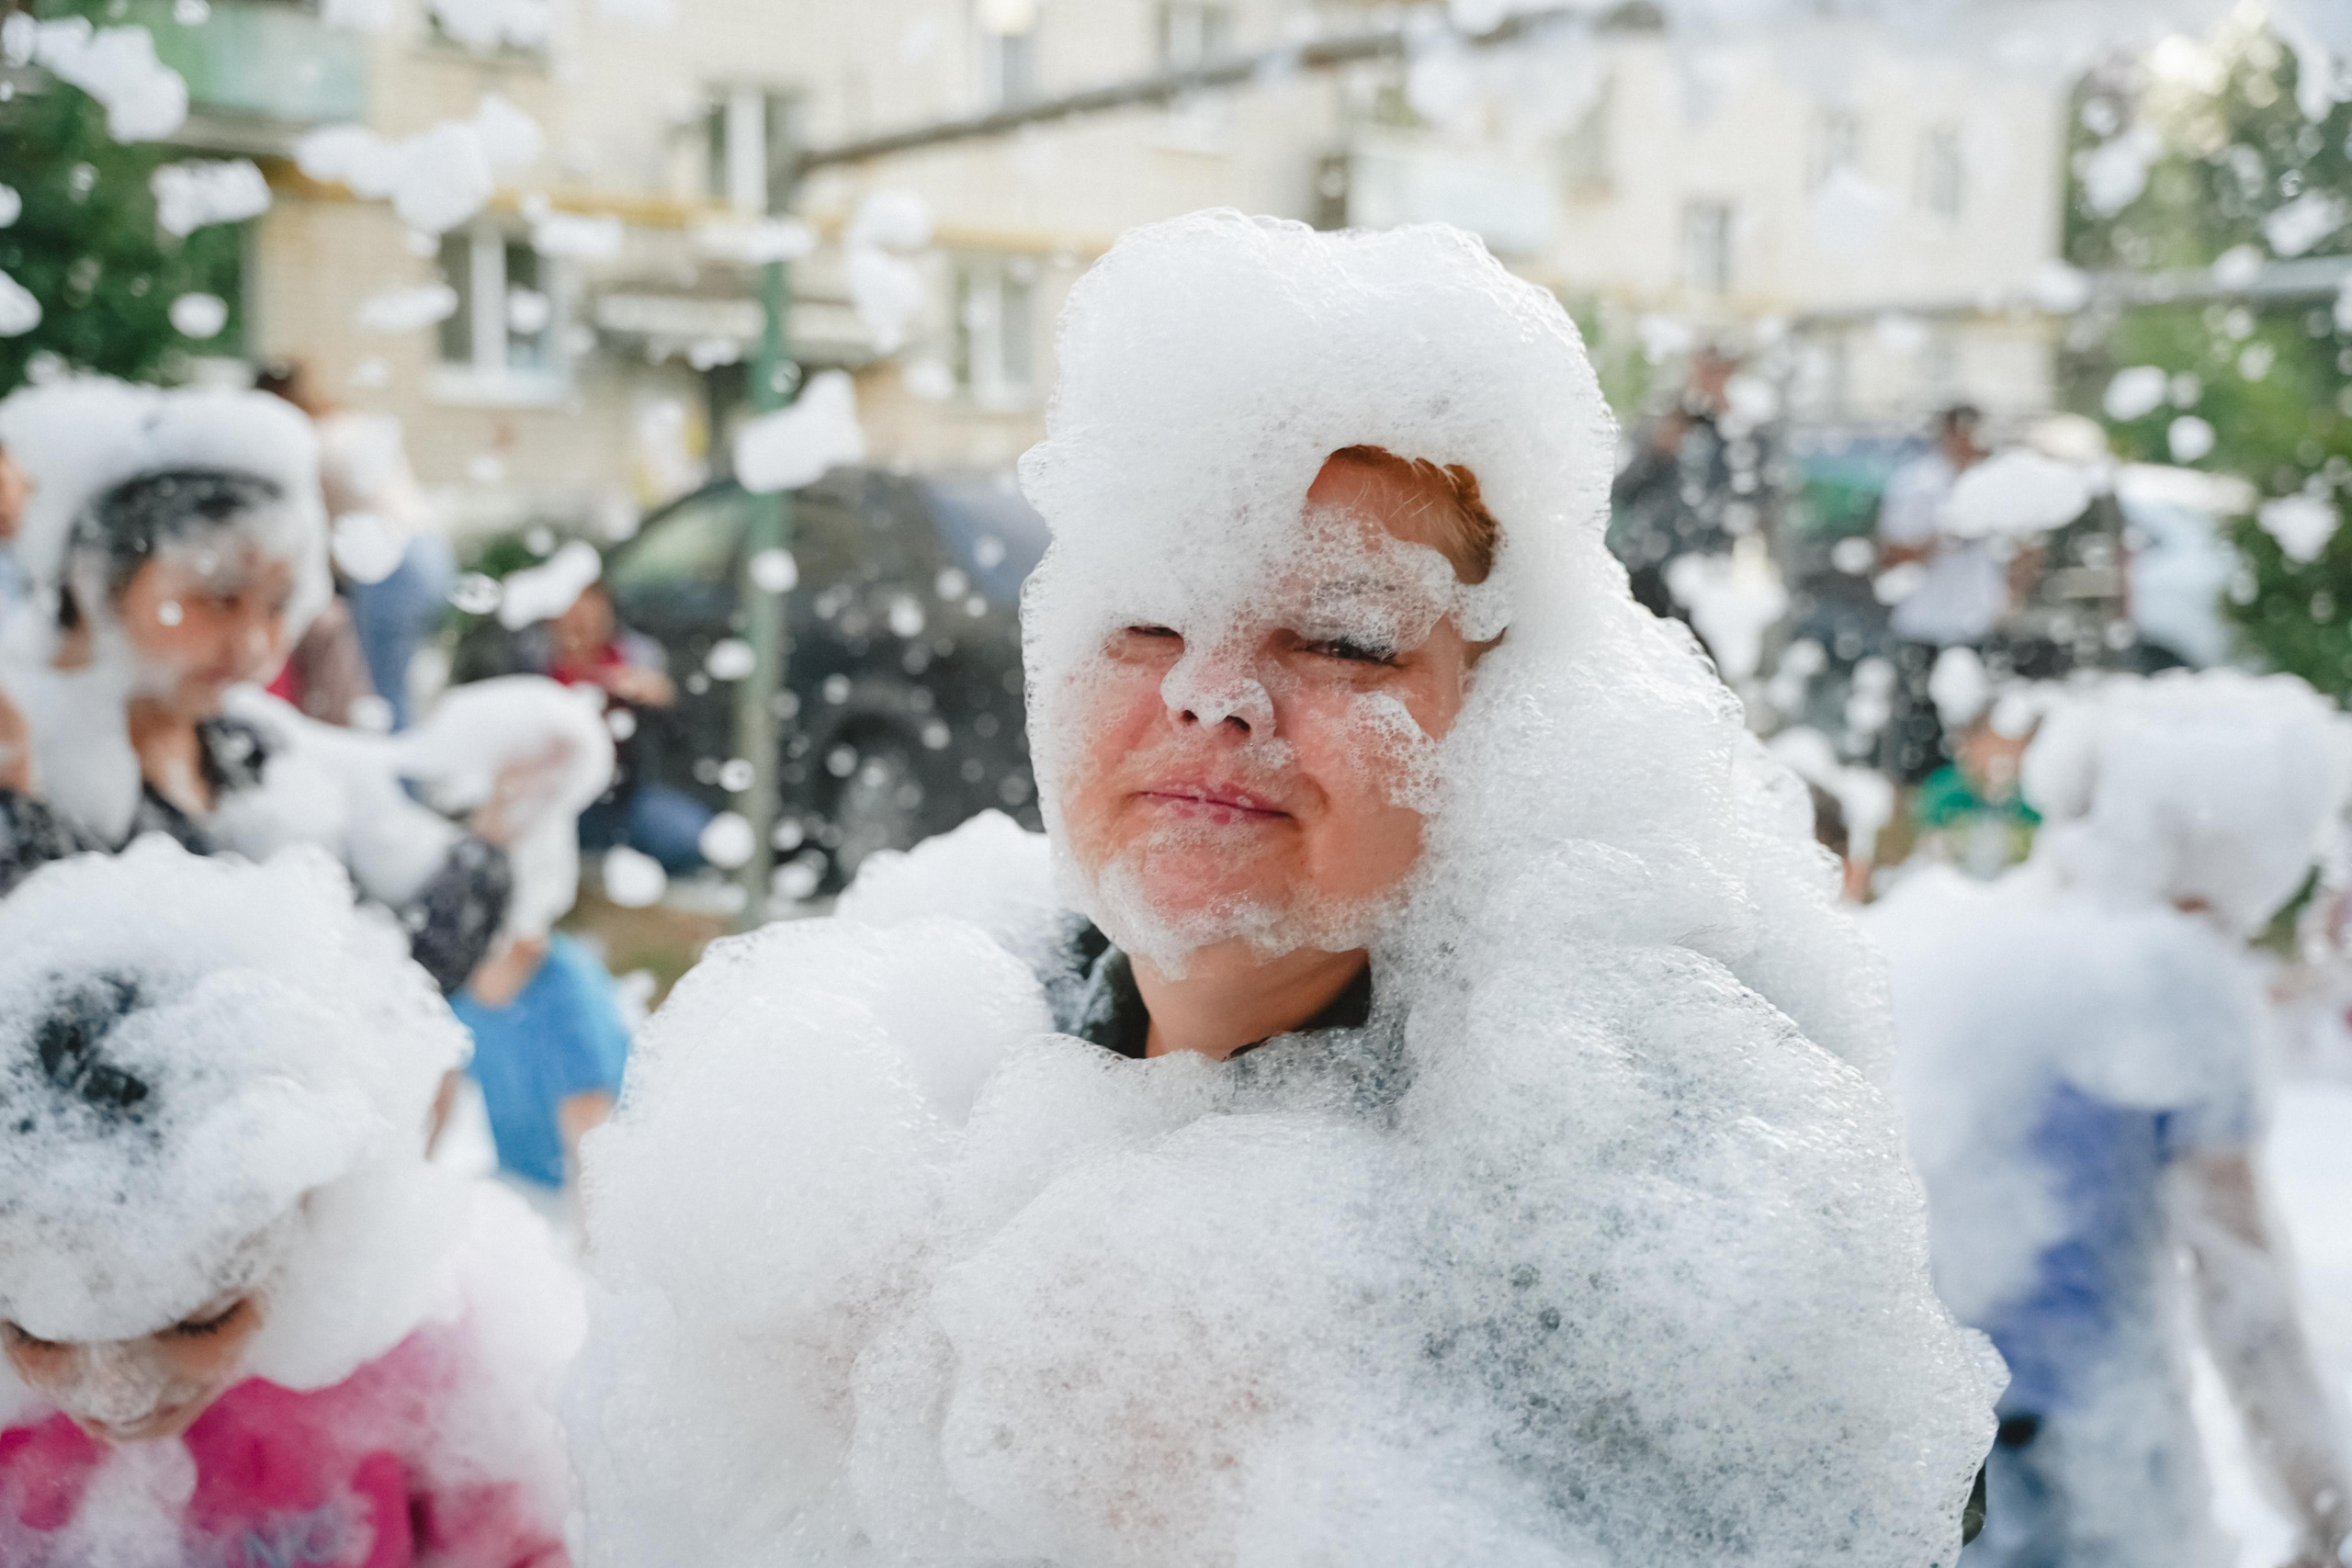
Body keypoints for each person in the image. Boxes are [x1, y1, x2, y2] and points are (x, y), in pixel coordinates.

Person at [571, 212, 1997, 1564]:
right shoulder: (887, 1068)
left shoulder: (1627, 1168)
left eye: (1339, 638)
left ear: (1497, 721)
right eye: (1147, 619)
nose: (1210, 694)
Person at [1872, 671, 2352, 1568]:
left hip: (1915, 1442)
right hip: (2082, 1455)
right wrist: (2325, 1506)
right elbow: (2244, 1297)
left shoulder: (1945, 942)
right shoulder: (2178, 992)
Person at [0, 840, 575, 1566]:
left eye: (198, 1320)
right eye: (36, 1333)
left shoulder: (427, 1363)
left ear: (319, 1213)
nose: (117, 1394)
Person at [0, 380, 528, 993]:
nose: (254, 644)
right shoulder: (36, 766)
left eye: (279, 604)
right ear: (97, 585)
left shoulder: (254, 751)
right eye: (216, 597)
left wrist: (502, 826)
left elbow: (395, 976)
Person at [256, 358, 454, 730]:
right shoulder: (350, 424)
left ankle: (398, 786)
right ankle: (410, 777)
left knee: (382, 692)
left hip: (391, 565)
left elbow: (305, 530)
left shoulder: (307, 442)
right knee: (398, 685)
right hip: (431, 552)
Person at [529, 579, 711, 874]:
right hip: (552, 801)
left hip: (625, 799)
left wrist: (662, 702)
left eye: (593, 602)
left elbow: (684, 744)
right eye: (571, 605)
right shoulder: (528, 667)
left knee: (695, 839)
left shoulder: (640, 659)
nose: (583, 617)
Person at [1877, 405, 1997, 781]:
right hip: (1924, 630)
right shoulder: (1917, 483)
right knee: (1914, 752)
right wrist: (1942, 534)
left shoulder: (1993, 484)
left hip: (1977, 629)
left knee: (1974, 752)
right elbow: (1891, 556)